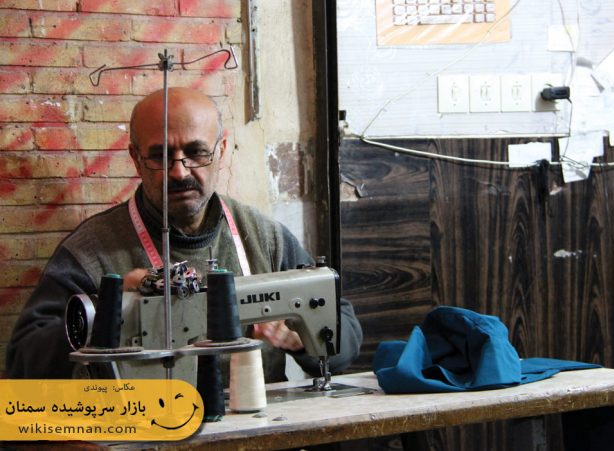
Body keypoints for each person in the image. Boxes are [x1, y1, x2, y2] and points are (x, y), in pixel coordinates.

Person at [5, 87, 363, 382]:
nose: (179, 172)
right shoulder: (91, 252)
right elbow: (24, 364)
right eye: (160, 156)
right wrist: (111, 310)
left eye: (196, 152)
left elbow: (344, 334)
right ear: (135, 158)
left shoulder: (264, 238)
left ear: (221, 151)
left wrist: (302, 341)